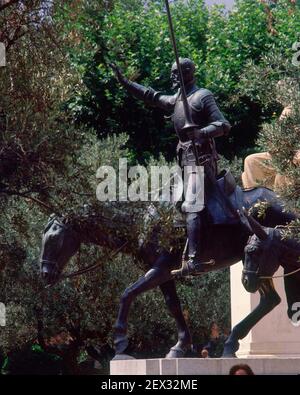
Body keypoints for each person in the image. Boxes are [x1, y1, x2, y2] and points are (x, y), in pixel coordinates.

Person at [111, 58, 231, 277]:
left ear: (187, 73)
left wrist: (202, 133)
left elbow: (223, 125)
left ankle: (194, 260)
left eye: (176, 73)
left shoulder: (203, 96)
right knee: (166, 201)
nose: (172, 77)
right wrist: (124, 82)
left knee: (191, 204)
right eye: (172, 73)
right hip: (183, 162)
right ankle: (172, 249)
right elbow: (151, 96)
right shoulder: (176, 100)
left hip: (202, 160)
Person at [242, 79, 300, 191]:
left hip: (294, 154)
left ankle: (281, 201)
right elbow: (279, 137)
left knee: (284, 168)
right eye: (279, 92)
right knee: (251, 160)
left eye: (284, 91)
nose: (280, 96)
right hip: (282, 153)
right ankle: (256, 197)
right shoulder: (285, 111)